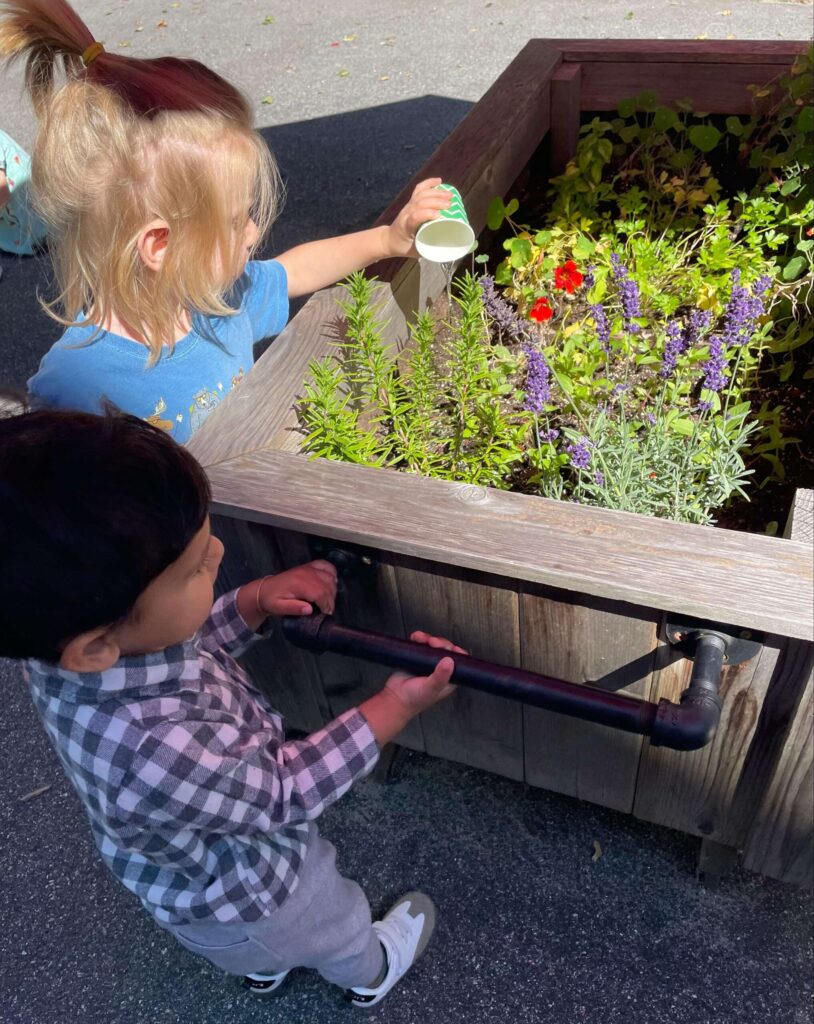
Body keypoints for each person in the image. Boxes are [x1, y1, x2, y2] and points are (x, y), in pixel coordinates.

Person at [0, 407, 461, 1006]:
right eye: (195, 568)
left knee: (254, 946)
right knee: (333, 920)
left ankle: (261, 966)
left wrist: (252, 602)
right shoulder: (151, 752)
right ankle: (370, 971)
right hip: (260, 895)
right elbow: (283, 791)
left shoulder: (73, 651)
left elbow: (184, 645)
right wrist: (393, 707)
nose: (218, 553)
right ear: (94, 645)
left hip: (193, 888)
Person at [0, 0, 450, 441]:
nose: (254, 232)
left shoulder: (213, 297)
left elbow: (295, 270)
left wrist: (388, 239)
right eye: (236, 222)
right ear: (160, 246)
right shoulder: (71, 390)